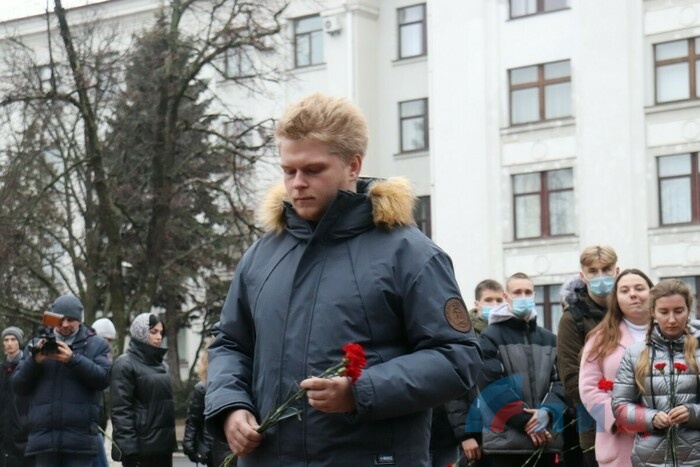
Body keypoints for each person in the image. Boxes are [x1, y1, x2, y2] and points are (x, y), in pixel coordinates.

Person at [204, 92, 482, 466]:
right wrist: (230, 406)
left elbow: (457, 358)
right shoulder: (262, 255)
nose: (297, 183)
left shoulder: (410, 253)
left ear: (353, 165)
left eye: (313, 170)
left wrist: (360, 391)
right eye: (288, 170)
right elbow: (230, 344)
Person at [12, 295, 112, 467]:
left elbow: (104, 379)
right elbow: (18, 386)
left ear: (79, 320)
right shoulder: (37, 343)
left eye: (71, 320)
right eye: (60, 319)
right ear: (53, 319)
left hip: (79, 441)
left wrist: (73, 359)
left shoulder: (95, 344)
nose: (65, 325)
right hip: (44, 440)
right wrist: (34, 361)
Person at [477, 272, 565, 466]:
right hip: (506, 443)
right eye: (517, 292)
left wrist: (548, 412)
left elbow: (561, 382)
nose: (523, 296)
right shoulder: (490, 337)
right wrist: (527, 422)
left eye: (527, 292)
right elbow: (492, 386)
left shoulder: (549, 339)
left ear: (534, 295)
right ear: (506, 296)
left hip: (546, 440)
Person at [612, 279, 700, 466]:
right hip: (651, 459)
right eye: (664, 312)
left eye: (678, 311)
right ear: (653, 312)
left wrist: (692, 413)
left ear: (688, 310)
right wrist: (650, 418)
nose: (672, 319)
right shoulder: (634, 354)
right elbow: (620, 407)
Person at [578, 269, 654, 467]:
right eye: (624, 290)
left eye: (639, 288)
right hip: (621, 444)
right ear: (616, 299)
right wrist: (621, 419)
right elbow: (588, 389)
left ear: (652, 293)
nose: (633, 294)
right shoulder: (600, 339)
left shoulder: (674, 334)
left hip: (669, 441)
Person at [558, 245, 619, 466]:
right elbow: (572, 380)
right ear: (583, 276)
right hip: (595, 428)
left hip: (639, 423)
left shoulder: (629, 312)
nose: (600, 276)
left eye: (606, 269)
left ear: (617, 271)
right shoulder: (572, 319)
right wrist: (615, 409)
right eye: (593, 271)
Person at [447, 279, 505, 466]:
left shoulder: (507, 334)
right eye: (489, 300)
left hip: (504, 430)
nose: (494, 305)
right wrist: (465, 434)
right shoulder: (464, 336)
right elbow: (454, 386)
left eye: (499, 300)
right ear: (477, 304)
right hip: (476, 431)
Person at [110, 313, 176, 467]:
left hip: (163, 447)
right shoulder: (124, 364)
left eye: (161, 332)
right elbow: (121, 411)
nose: (159, 337)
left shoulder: (162, 365)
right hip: (141, 449)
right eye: (153, 332)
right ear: (141, 333)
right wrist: (129, 450)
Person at [184, 331, 233, 467]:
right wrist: (190, 446)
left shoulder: (204, 387)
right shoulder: (203, 388)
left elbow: (193, 420)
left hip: (219, 448)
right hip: (215, 448)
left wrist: (189, 446)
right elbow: (194, 420)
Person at [0, 326, 33, 467]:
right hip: (4, 430)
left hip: (23, 431)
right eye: (6, 340)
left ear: (19, 342)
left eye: (13, 339)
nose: (9, 343)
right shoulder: (2, 369)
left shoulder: (28, 367)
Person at [91, 318, 117, 467]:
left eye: (110, 341)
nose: (108, 344)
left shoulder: (105, 359)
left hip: (99, 418)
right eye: (106, 340)